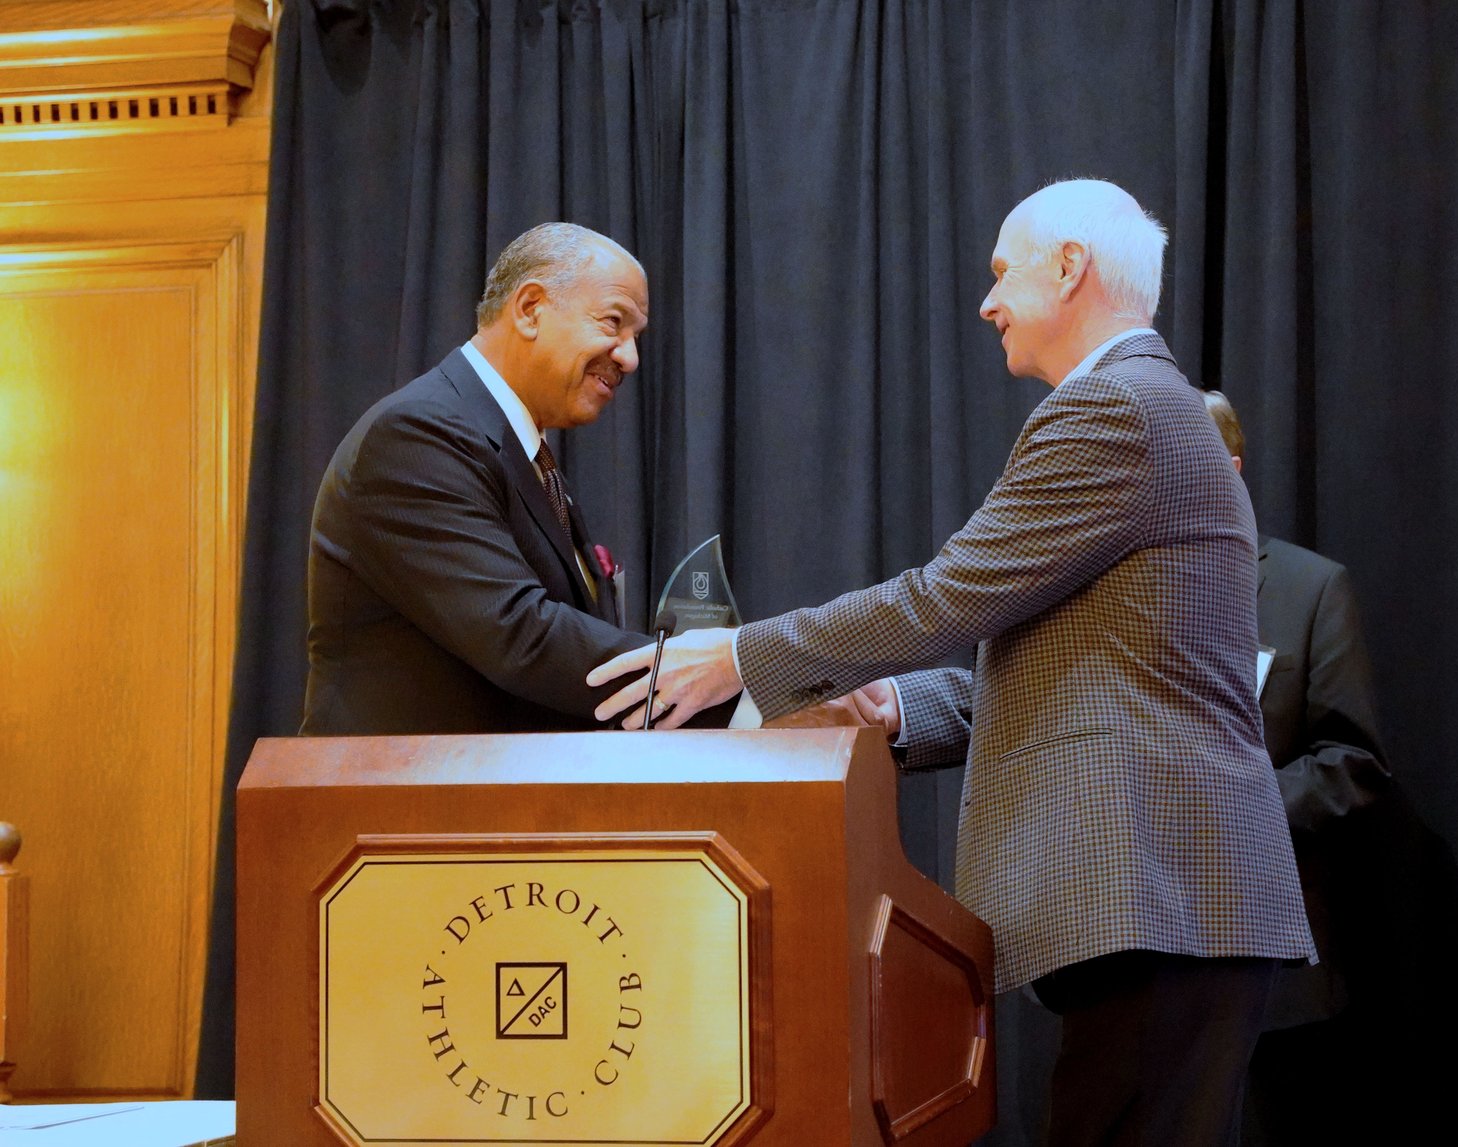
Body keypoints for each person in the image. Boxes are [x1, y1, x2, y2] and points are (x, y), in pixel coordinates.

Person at [588, 180, 1316, 1145]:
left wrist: (740, 658)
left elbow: (947, 596)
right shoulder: (1144, 404)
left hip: (1165, 891)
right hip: (1172, 898)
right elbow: (1075, 674)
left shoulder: (1115, 407)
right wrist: (893, 704)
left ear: (1069, 267)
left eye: (1000, 270)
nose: (987, 302)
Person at [302, 222, 733, 734]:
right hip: (401, 804)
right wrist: (741, 687)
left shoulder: (527, 456)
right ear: (530, 309)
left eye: (634, 337)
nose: (629, 357)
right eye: (613, 323)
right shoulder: (416, 436)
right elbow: (522, 636)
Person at [1202, 390, 1398, 1143]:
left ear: (1231, 468)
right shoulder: (1120, 595)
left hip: (1272, 975)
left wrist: (1235, 805)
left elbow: (1356, 762)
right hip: (1143, 966)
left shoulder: (1311, 589)